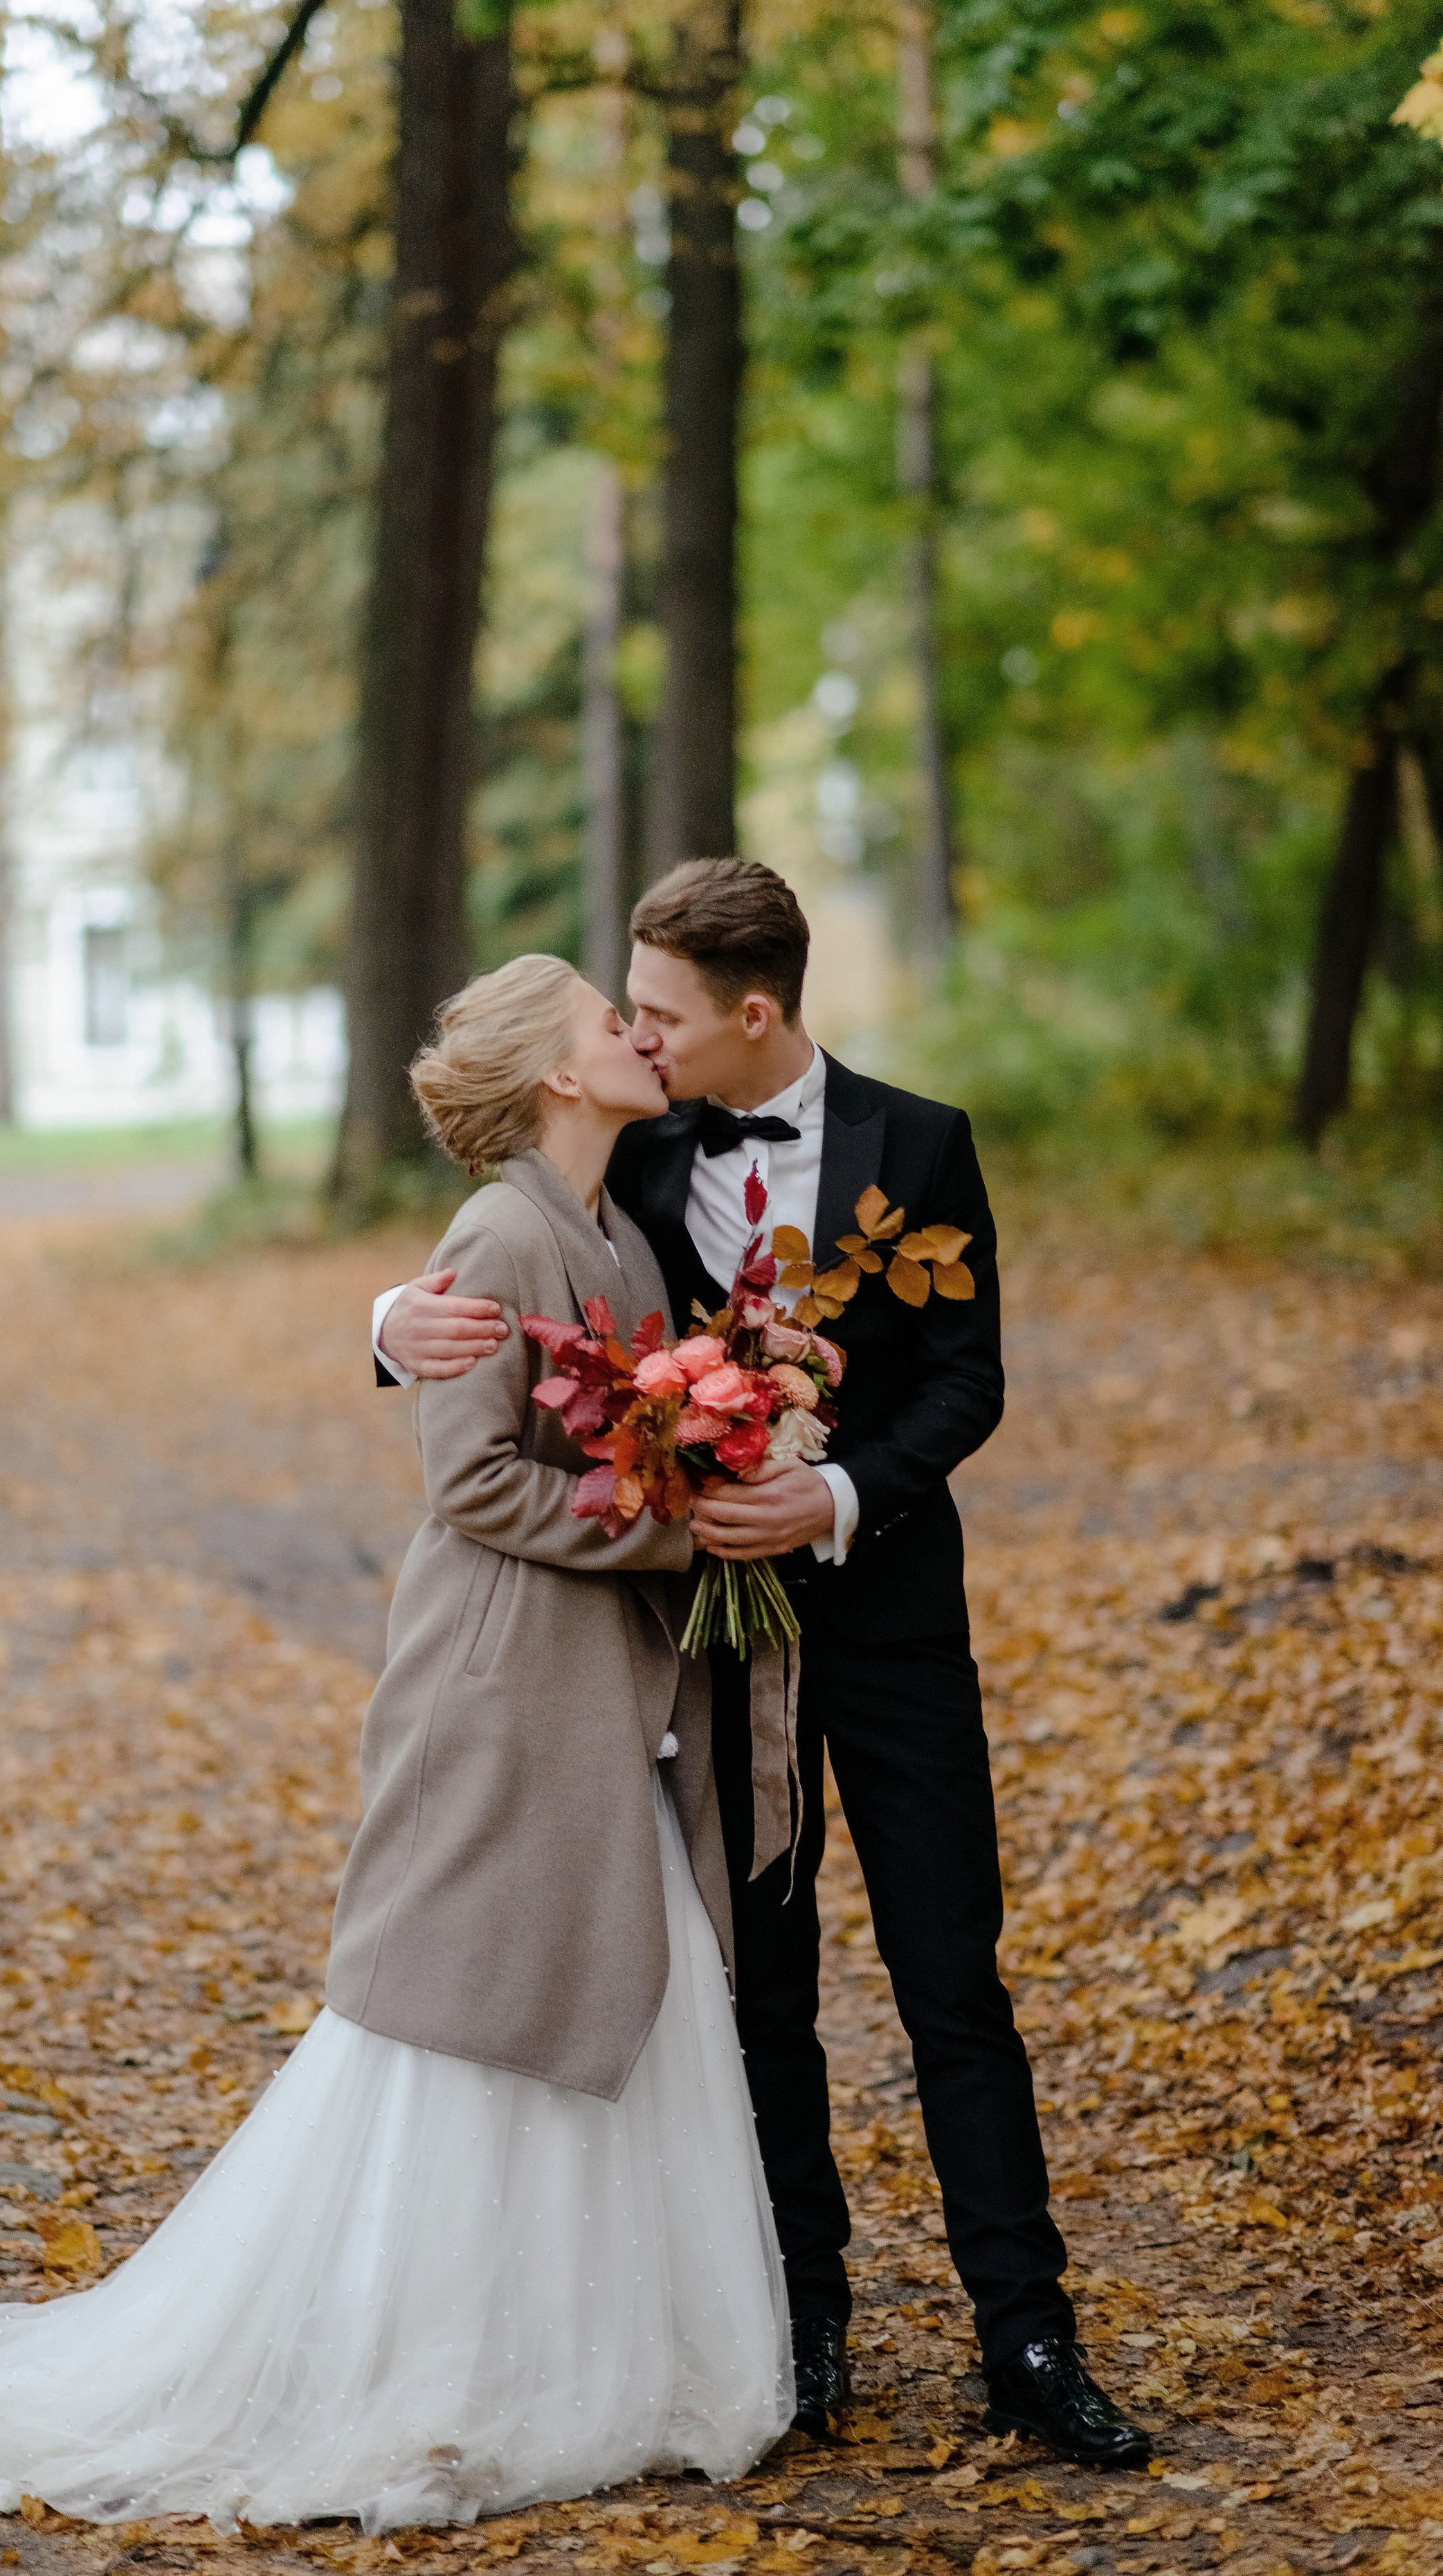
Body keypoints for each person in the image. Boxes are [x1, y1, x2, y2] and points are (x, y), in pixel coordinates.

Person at [0, 953, 793, 2534]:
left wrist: (708, 1468)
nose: (635, 1031)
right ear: (551, 1071)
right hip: (501, 1678)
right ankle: (442, 2356)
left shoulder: (615, 1226)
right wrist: (683, 1535)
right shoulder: (502, 1229)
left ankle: (599, 2350)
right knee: (473, 1984)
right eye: (612, 1018)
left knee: (611, 1964)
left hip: (603, 1678)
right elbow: (472, 1485)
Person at [375, 861, 1150, 2470]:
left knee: (953, 1978)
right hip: (717, 1647)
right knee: (759, 1992)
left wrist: (843, 1488)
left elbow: (966, 1378)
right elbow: (512, 1263)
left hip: (890, 1627)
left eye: (660, 1012)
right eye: (626, 1017)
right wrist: (387, 1321)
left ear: (754, 1010)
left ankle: (1027, 2332)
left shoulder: (919, 1142)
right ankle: (800, 2321)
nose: (639, 1040)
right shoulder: (636, 1148)